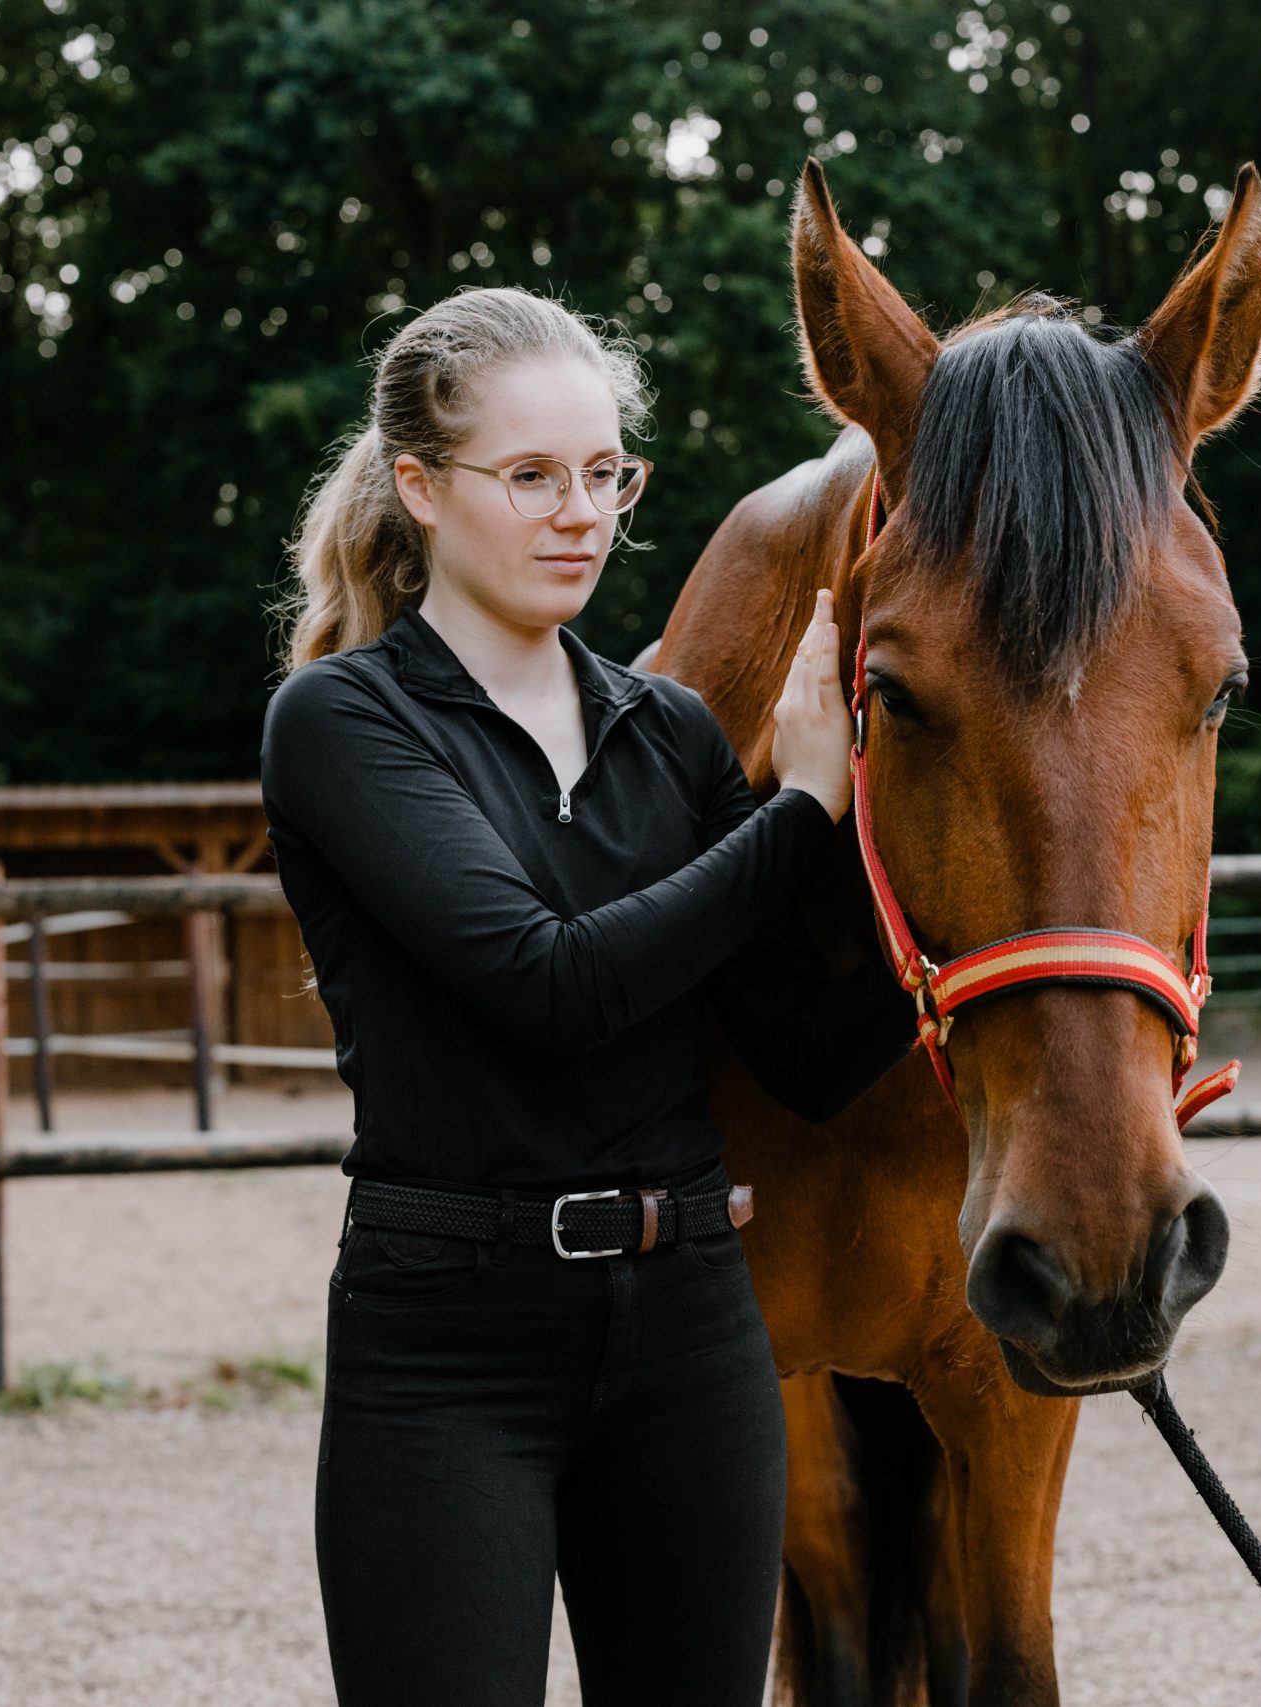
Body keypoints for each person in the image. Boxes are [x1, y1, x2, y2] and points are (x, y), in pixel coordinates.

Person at [258, 285, 915, 1707]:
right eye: (534, 477)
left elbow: (799, 1055)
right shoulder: (344, 724)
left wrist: (975, 938)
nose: (581, 514)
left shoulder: (669, 730)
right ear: (422, 490)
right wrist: (794, 815)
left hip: (688, 1335)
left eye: (607, 476)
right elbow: (548, 983)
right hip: (449, 1345)